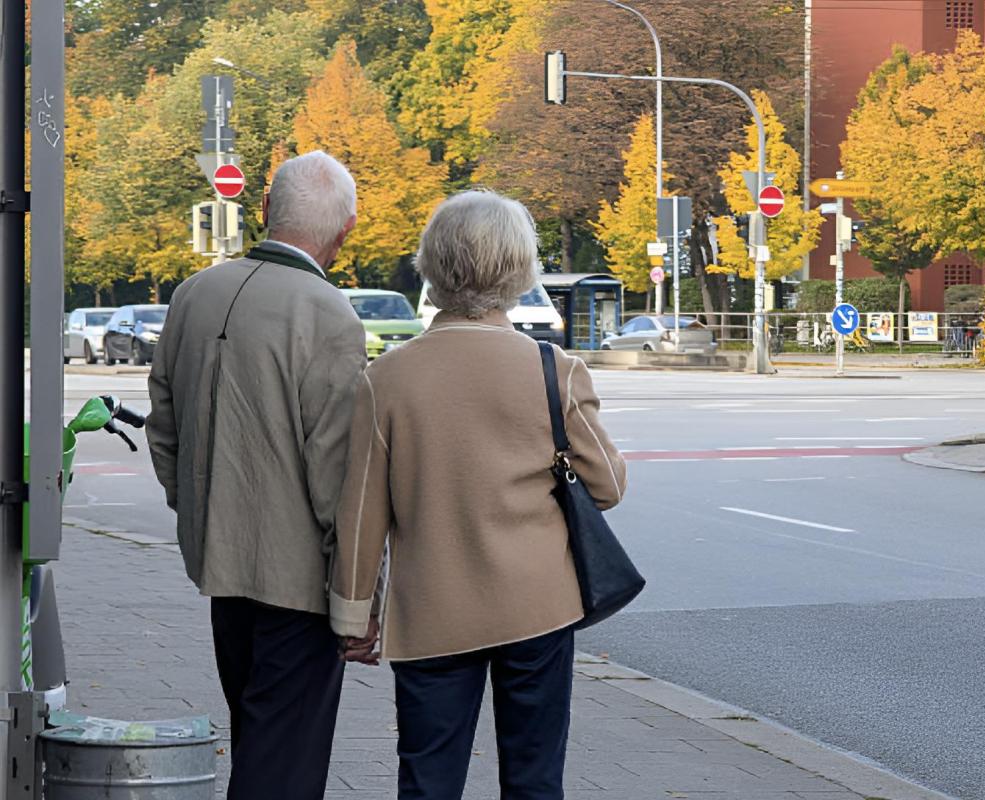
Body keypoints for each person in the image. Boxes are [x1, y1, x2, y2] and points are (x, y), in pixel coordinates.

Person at [329, 190, 627, 800]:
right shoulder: (554, 369)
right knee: (535, 779)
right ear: (521, 272)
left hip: (432, 613)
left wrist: (354, 616)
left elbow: (360, 514)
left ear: (432, 268)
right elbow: (609, 486)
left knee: (428, 781)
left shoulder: (386, 379)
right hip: (539, 607)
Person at [146, 151, 367, 799]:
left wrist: (199, 510)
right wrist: (357, 599)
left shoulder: (195, 292)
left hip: (221, 567)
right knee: (283, 766)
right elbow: (340, 478)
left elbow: (164, 426)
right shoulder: (329, 316)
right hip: (298, 584)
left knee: (256, 738)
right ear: (346, 232)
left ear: (265, 211)